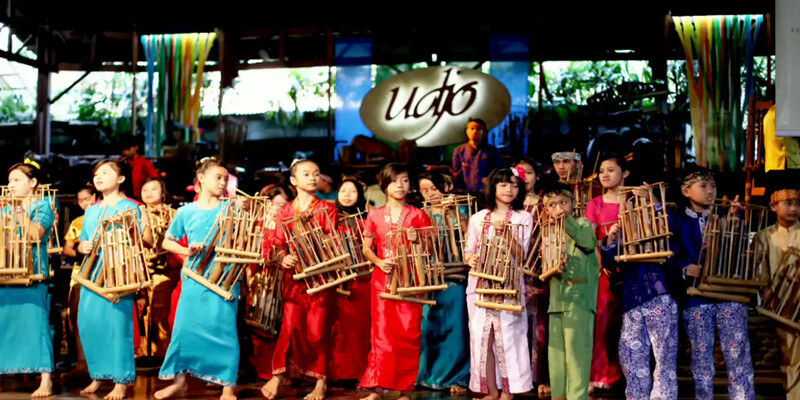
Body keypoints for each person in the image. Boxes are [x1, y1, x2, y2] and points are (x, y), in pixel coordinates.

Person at [591, 158, 678, 400]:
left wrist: (653, 202)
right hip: (632, 297)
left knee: (663, 355)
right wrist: (610, 239)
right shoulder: (626, 222)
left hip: (659, 293)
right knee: (631, 353)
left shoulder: (662, 218)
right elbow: (610, 260)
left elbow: (672, 229)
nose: (636, 206)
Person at [155, 157, 239, 400]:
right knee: (184, 330)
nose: (223, 182)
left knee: (225, 330)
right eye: (218, 177)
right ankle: (180, 381)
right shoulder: (186, 211)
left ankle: (228, 386)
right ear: (201, 179)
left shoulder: (232, 209)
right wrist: (187, 250)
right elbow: (167, 241)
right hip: (194, 277)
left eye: (226, 178)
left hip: (225, 277)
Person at [668, 168, 755, 400]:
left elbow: (741, 252)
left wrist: (735, 221)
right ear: (686, 191)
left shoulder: (726, 215)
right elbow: (670, 253)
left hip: (729, 293)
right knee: (701, 355)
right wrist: (685, 267)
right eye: (704, 186)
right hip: (696, 296)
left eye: (713, 186)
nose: (710, 191)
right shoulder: (676, 221)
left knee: (737, 353)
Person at [261, 159, 337, 400]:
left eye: (316, 173)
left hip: (321, 277)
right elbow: (277, 243)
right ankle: (279, 374)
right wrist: (283, 257)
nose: (313, 177)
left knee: (318, 329)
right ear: (294, 180)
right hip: (294, 279)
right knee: (290, 326)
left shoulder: (326, 208)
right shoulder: (285, 211)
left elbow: (332, 241)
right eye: (306, 174)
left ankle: (321, 381)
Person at [76, 159, 152, 400]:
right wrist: (82, 246)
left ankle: (121, 380)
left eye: (105, 172)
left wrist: (132, 230)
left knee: (118, 329)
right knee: (90, 326)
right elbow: (82, 241)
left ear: (120, 179)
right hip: (92, 276)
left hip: (119, 275)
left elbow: (148, 240)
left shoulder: (134, 207)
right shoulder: (93, 209)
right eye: (96, 173)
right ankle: (98, 375)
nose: (98, 177)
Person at [359, 163, 432, 400]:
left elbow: (431, 250)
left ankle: (404, 388)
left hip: (411, 281)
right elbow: (366, 249)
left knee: (408, 335)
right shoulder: (375, 215)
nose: (400, 186)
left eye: (404, 180)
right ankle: (377, 388)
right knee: (381, 335)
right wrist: (379, 262)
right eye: (394, 181)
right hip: (382, 281)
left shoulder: (419, 215)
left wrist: (418, 239)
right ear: (384, 185)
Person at [464, 167, 534, 400]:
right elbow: (468, 252)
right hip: (480, 285)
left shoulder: (523, 218)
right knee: (482, 337)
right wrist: (470, 259)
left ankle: (509, 391)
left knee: (509, 336)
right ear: (493, 187)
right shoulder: (477, 218)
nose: (509, 190)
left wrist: (506, 234)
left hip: (509, 286)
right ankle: (490, 391)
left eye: (514, 185)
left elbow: (522, 254)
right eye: (503, 185)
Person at [0, 161, 56, 397]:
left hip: (32, 273)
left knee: (37, 326)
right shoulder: (4, 208)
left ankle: (46, 380)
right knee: (5, 326)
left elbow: (35, 235)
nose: (11, 184)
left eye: (17, 180)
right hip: (6, 273)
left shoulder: (43, 206)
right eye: (10, 180)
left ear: (33, 183)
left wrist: (20, 210)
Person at [541, 182, 599, 400]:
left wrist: (565, 221)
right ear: (546, 209)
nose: (559, 208)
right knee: (556, 358)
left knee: (577, 356)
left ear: (573, 204)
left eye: (563, 203)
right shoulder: (548, 231)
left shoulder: (582, 223)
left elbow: (587, 242)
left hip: (579, 300)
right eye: (553, 205)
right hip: (557, 300)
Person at [416, 170, 470, 395]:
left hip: (456, 275)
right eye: (424, 190)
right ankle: (426, 374)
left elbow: (470, 235)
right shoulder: (421, 213)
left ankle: (458, 376)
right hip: (429, 277)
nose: (429, 194)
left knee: (456, 327)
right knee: (429, 326)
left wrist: (454, 213)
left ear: (446, 187)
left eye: (434, 189)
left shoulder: (462, 208)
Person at [582, 155, 625, 393]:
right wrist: (600, 263)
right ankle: (601, 374)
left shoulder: (632, 201)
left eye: (611, 170)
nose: (605, 175)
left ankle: (629, 375)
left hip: (632, 268)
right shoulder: (595, 204)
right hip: (604, 271)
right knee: (602, 322)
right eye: (601, 171)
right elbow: (589, 239)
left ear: (625, 173)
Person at [756, 188, 800, 400]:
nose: (794, 208)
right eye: (788, 203)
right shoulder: (765, 236)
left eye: (797, 204)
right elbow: (759, 267)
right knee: (791, 354)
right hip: (780, 305)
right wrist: (764, 288)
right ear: (774, 207)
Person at [511, 158, 548, 396]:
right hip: (510, 269)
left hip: (537, 268)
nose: (525, 177)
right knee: (512, 324)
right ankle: (514, 377)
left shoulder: (545, 205)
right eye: (520, 173)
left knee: (539, 326)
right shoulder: (508, 205)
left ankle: (539, 377)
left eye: (530, 172)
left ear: (537, 176)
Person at [328, 178, 371, 382]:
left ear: (360, 195)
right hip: (334, 279)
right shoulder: (330, 218)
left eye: (352, 191)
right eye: (343, 190)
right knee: (336, 326)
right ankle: (335, 372)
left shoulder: (367, 218)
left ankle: (358, 372)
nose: (346, 194)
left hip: (362, 279)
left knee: (358, 327)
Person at [139, 178, 180, 358]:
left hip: (165, 270)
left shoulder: (175, 214)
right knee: (142, 314)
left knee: (161, 313)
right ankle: (143, 353)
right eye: (145, 189)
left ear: (163, 192)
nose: (148, 192)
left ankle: (163, 354)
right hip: (141, 270)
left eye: (154, 188)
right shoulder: (137, 213)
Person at [62, 186, 97, 378]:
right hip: (81, 270)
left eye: (87, 198)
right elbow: (66, 249)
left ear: (95, 197)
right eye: (81, 200)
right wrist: (78, 250)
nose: (84, 203)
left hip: (103, 272)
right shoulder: (78, 222)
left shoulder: (104, 216)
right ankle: (82, 363)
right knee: (77, 316)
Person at [451, 118, 502, 192]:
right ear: (467, 131)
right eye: (472, 129)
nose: (474, 131)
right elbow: (455, 172)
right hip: (465, 192)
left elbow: (498, 172)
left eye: (478, 129)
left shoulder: (492, 151)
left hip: (486, 191)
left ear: (484, 133)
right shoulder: (459, 151)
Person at [120, 135, 159, 199]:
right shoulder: (121, 162)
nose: (125, 152)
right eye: (123, 150)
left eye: (128, 149)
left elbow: (155, 179)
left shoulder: (145, 163)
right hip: (124, 197)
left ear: (136, 147)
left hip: (141, 197)